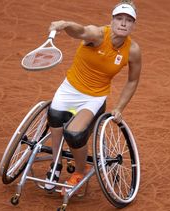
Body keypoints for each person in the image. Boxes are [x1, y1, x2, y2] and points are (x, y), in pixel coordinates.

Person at [44, 0, 142, 195]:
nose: (123, 23)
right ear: (112, 21)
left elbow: (132, 81)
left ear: (133, 25)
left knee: (74, 134)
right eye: (120, 19)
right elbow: (80, 31)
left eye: (128, 20)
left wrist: (119, 108)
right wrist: (65, 24)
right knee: (54, 117)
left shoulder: (132, 50)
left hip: (94, 97)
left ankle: (80, 171)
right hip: (69, 89)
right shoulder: (97, 35)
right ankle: (55, 164)